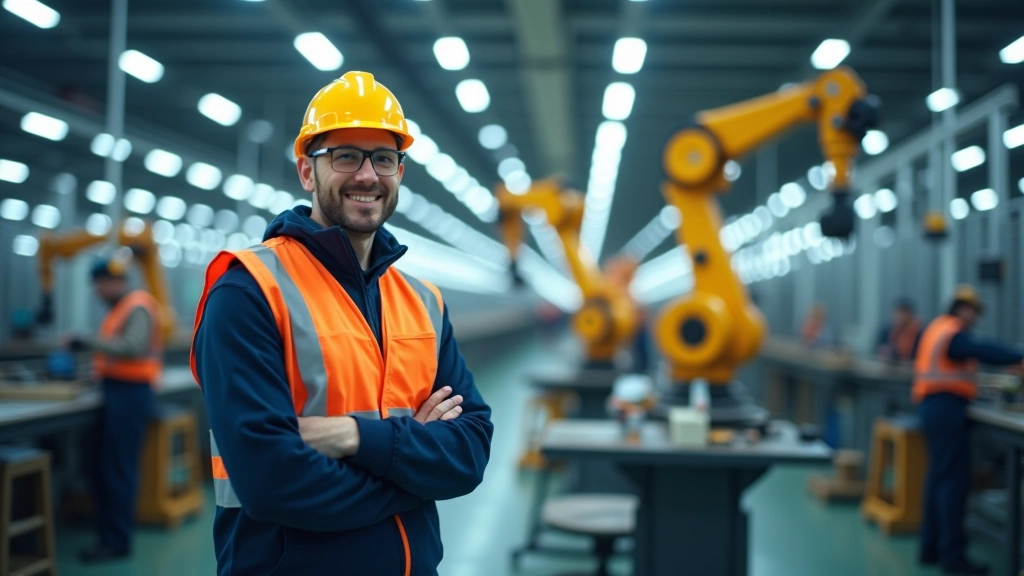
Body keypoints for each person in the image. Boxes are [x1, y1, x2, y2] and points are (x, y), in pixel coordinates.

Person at [191, 71, 493, 576]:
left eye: (384, 158)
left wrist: (355, 437)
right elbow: (272, 483)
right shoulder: (249, 291)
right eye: (345, 155)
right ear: (307, 171)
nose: (368, 175)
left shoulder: (423, 301)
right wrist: (413, 471)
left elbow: (470, 451)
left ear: (400, 170)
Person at [914, 284, 1024, 575]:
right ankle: (953, 557)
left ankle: (930, 547)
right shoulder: (953, 333)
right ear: (963, 308)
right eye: (974, 312)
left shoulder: (936, 328)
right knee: (953, 483)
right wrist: (1018, 355)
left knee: (938, 479)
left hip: (933, 406)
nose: (974, 318)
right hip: (946, 408)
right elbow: (982, 350)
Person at [68, 258, 164, 563]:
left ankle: (117, 541)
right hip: (117, 389)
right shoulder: (122, 308)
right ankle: (109, 535)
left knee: (118, 469)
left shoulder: (137, 305)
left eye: (100, 283)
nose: (98, 290)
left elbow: (133, 347)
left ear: (116, 281)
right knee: (105, 466)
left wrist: (85, 341)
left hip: (130, 393)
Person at [876, 297, 922, 363]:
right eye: (897, 313)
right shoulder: (889, 331)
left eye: (902, 313)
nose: (899, 316)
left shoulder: (919, 332)